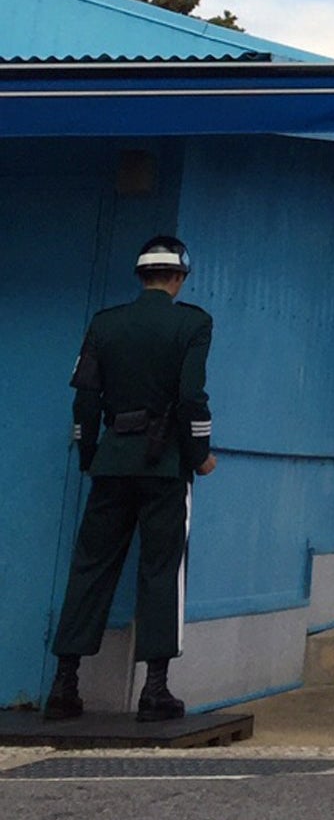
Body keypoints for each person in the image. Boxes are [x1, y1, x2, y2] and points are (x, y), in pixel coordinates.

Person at [44, 235, 216, 723]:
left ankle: (65, 684)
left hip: (111, 463)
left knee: (91, 568)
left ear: (141, 275)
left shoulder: (104, 324)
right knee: (161, 570)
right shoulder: (193, 323)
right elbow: (191, 397)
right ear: (178, 277)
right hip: (165, 465)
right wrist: (198, 454)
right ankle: (154, 690)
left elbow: (85, 399)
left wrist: (93, 454)